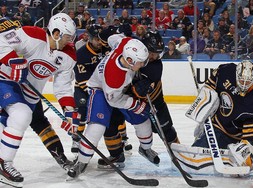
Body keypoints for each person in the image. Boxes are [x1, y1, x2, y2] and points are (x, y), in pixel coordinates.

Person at [0, 13, 79, 188]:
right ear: (56, 33)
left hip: (29, 94)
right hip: (6, 79)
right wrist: (12, 60)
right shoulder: (31, 35)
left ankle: (4, 160)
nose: (70, 41)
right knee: (21, 115)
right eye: (67, 37)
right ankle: (5, 163)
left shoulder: (69, 56)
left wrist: (69, 110)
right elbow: (1, 40)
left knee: (21, 121)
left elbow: (63, 86)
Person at [67, 35, 160, 178]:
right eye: (141, 62)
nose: (144, 64)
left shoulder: (126, 43)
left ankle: (146, 149)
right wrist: (136, 104)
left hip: (119, 91)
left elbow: (112, 38)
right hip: (100, 89)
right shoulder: (114, 77)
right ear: (129, 61)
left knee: (142, 118)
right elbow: (114, 101)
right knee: (97, 126)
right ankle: (82, 161)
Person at [97, 31, 180, 169]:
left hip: (153, 101)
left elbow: (142, 91)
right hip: (124, 99)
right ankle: (116, 155)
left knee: (166, 129)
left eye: (158, 53)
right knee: (110, 123)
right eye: (152, 52)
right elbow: (113, 39)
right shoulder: (132, 47)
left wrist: (139, 88)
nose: (155, 57)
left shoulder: (155, 66)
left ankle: (179, 156)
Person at [171, 60, 253, 175]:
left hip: (236, 139)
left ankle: (234, 158)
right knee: (196, 156)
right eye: (241, 80)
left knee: (239, 160)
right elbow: (210, 88)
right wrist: (205, 102)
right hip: (217, 127)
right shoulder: (225, 71)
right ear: (236, 74)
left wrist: (247, 151)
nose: (244, 84)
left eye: (248, 81)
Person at [72, 24, 132, 158]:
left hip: (104, 88)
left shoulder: (106, 48)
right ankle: (76, 139)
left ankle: (123, 137)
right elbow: (83, 82)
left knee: (116, 110)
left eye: (100, 39)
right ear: (89, 38)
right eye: (96, 39)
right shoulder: (81, 54)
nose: (99, 43)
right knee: (82, 109)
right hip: (86, 88)